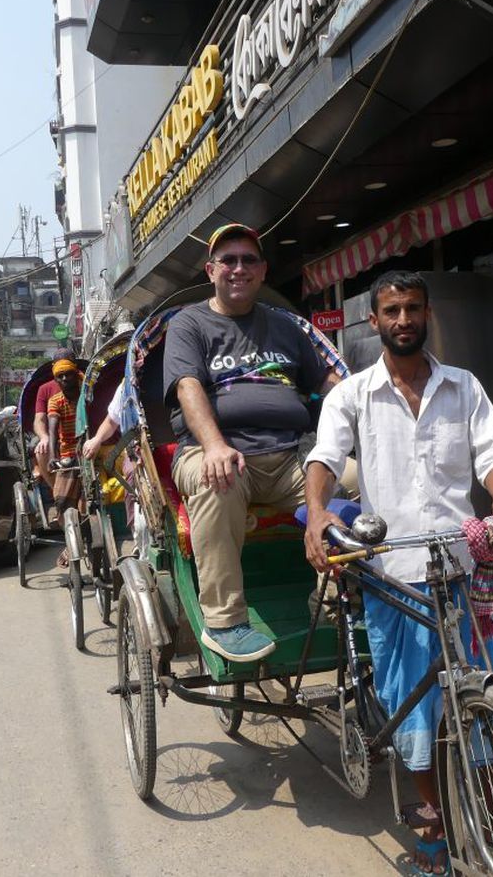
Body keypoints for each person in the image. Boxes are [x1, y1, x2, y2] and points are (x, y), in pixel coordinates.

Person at [303, 271, 493, 877]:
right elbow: (325, 457)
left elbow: (492, 455)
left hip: (460, 568)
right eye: (392, 310)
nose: (402, 319)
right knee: (413, 707)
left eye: (412, 308)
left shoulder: (464, 386)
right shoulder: (352, 395)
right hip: (393, 573)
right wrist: (318, 513)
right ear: (374, 320)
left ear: (427, 314)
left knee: (486, 695)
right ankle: (433, 817)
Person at [164, 223, 341, 663]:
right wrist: (214, 445)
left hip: (290, 456)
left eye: (248, 260)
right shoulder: (189, 324)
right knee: (217, 479)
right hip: (215, 453)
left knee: (359, 479)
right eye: (228, 260)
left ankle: (335, 596)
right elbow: (187, 386)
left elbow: (327, 382)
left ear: (262, 271)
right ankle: (224, 622)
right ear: (211, 271)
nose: (238, 268)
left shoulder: (285, 326)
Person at [46, 358, 84, 528]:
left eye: (68, 374)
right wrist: (53, 457)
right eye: (60, 376)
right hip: (69, 450)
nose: (64, 379)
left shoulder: (87, 394)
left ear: (75, 374)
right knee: (62, 496)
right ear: (56, 380)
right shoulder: (55, 401)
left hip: (91, 446)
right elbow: (53, 429)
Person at [33, 348, 75, 488]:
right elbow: (39, 419)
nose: (65, 378)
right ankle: (56, 489)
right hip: (56, 439)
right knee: (41, 449)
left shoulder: (85, 385)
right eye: (60, 374)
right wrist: (44, 437)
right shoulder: (46, 390)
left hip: (80, 434)